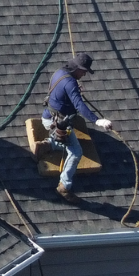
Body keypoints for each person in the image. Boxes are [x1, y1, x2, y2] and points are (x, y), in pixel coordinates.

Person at [43, 52, 111, 200]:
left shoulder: (60, 72)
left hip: (47, 117)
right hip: (57, 125)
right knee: (76, 152)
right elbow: (79, 105)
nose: (84, 75)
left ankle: (50, 144)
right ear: (78, 68)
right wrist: (96, 120)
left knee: (73, 142)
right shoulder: (70, 83)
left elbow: (63, 91)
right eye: (84, 71)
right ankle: (64, 187)